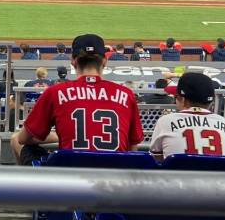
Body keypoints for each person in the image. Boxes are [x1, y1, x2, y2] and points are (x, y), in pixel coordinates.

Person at [12, 34, 143, 161]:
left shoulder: (55, 92)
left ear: (73, 61)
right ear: (104, 61)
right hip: (112, 178)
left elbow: (23, 139)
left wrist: (60, 136)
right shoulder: (126, 94)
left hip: (70, 178)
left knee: (15, 140)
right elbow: (132, 149)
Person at [150, 72, 225, 160]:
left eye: (176, 96)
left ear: (182, 99)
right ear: (211, 102)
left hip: (176, 172)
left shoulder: (165, 121)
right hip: (219, 173)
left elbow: (156, 159)